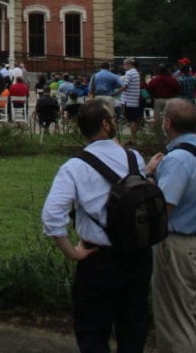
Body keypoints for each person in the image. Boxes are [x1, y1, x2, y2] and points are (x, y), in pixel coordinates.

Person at [42, 100, 152, 353]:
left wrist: (72, 252)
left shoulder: (75, 167)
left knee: (93, 331)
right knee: (133, 328)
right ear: (105, 124)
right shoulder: (134, 158)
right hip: (138, 254)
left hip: (98, 257)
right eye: (113, 117)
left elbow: (52, 215)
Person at [144, 99, 196, 353]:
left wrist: (150, 175)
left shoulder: (176, 160)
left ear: (167, 123)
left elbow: (162, 207)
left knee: (176, 321)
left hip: (177, 244)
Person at [118, 58, 143, 145]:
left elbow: (125, 86)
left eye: (124, 65)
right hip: (134, 100)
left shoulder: (129, 73)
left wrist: (116, 92)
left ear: (128, 64)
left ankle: (133, 139)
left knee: (131, 120)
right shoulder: (136, 72)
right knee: (133, 120)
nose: (123, 66)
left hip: (128, 100)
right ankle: (134, 138)